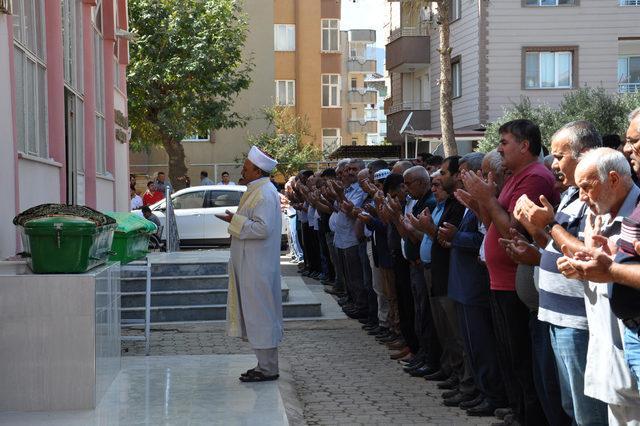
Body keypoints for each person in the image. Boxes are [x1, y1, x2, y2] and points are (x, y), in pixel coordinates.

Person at [216, 146, 283, 382]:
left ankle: (268, 368)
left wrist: (236, 220)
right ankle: (264, 365)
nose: (242, 171)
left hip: (257, 265)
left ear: (257, 171)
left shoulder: (264, 193)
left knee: (261, 314)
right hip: (252, 264)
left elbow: (262, 228)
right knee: (258, 314)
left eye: (246, 168)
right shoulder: (257, 189)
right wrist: (236, 221)